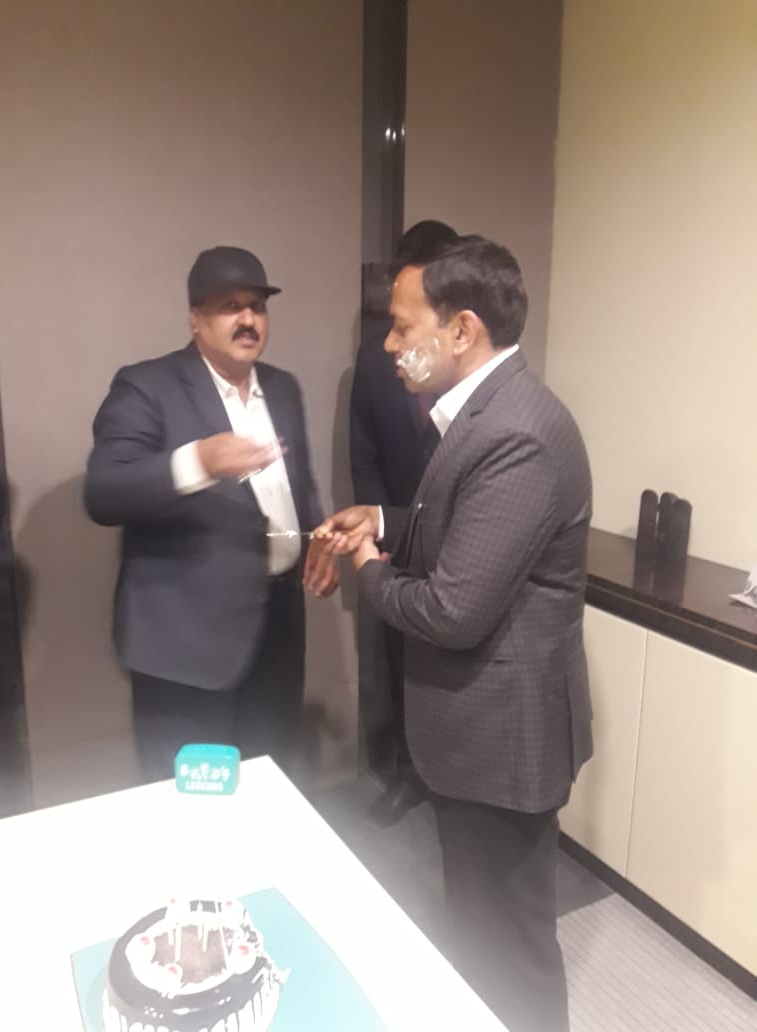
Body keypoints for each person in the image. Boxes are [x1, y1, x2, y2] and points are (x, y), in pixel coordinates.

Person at [314, 235, 592, 1032]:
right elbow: (458, 527)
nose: (390, 346)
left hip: (502, 744)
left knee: (510, 948)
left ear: (461, 329)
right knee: (478, 932)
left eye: (403, 327)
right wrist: (383, 519)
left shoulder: (516, 433)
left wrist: (367, 567)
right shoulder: (482, 413)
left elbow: (451, 610)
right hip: (478, 738)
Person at [84, 245, 337, 782]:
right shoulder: (145, 386)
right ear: (195, 319)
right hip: (185, 648)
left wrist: (315, 536)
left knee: (268, 782)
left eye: (257, 306)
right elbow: (104, 493)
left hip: (276, 633)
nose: (247, 319)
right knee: (193, 802)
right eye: (229, 306)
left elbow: (299, 485)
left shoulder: (283, 388)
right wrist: (198, 461)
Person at [350, 219, 458, 825]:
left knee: (456, 658)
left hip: (464, 538)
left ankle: (450, 776)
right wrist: (376, 531)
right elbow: (363, 451)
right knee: (398, 657)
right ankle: (407, 771)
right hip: (397, 534)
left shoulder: (474, 370)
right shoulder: (375, 359)